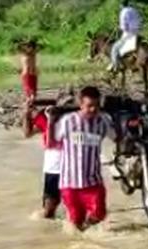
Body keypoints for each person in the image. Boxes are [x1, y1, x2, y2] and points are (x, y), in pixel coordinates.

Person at [48, 86, 118, 231]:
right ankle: (82, 236)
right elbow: (51, 143)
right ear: (80, 104)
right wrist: (50, 121)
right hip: (69, 183)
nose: (93, 109)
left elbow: (117, 138)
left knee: (100, 214)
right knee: (76, 221)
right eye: (89, 106)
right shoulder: (67, 121)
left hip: (93, 182)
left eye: (97, 105)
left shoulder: (103, 122)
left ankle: (87, 229)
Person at [22, 100, 62, 219]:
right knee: (49, 211)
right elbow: (27, 133)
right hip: (53, 169)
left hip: (72, 168)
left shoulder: (75, 121)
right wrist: (26, 114)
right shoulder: (46, 120)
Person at [108, 0, 142, 72]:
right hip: (138, 32)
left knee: (115, 48)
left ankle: (116, 67)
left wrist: (119, 27)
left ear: (121, 5)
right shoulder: (134, 10)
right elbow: (140, 19)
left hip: (129, 34)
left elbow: (124, 27)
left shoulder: (123, 12)